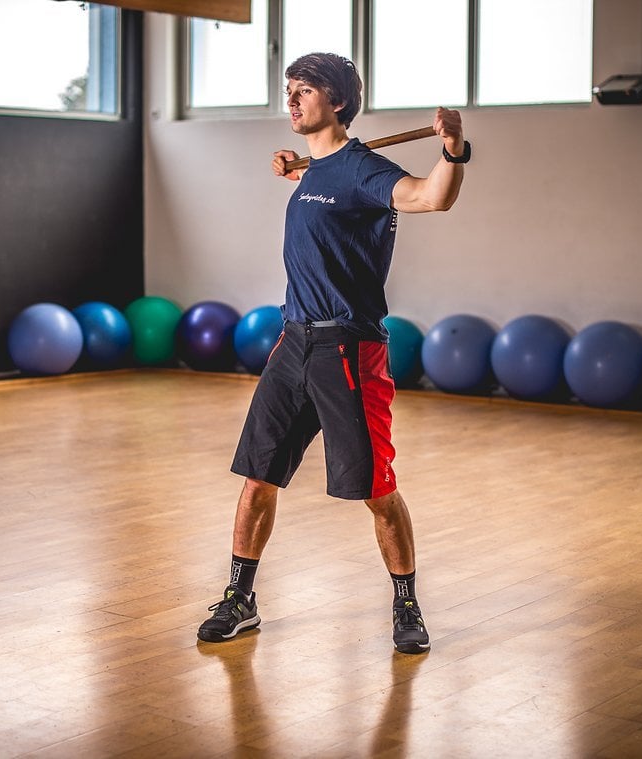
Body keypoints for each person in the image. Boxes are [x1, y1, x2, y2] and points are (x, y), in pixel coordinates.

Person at [197, 52, 468, 655]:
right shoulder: (320, 170)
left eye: (305, 90)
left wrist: (452, 151)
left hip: (350, 349)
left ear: (338, 101)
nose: (291, 100)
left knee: (376, 488)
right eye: (288, 89)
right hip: (293, 342)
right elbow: (321, 189)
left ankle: (406, 603)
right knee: (258, 476)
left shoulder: (364, 171)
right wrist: (297, 169)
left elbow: (430, 198)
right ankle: (240, 598)